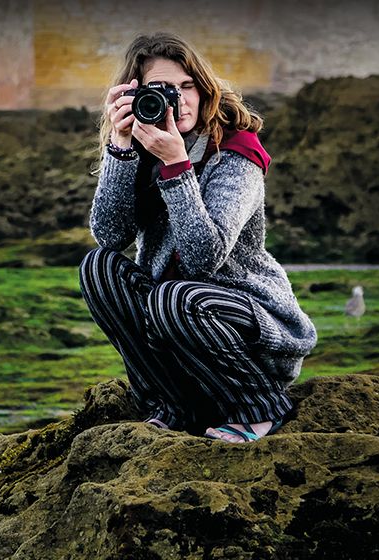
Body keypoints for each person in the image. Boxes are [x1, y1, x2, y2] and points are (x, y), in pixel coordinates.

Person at [80, 32, 317, 443]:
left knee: (173, 296)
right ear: (136, 96)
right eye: (163, 89)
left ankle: (261, 406)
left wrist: (176, 165)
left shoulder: (236, 151)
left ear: (204, 88)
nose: (179, 100)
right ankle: (173, 406)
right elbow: (110, 235)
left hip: (249, 329)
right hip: (174, 326)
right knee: (98, 267)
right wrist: (120, 147)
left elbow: (202, 259)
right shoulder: (140, 148)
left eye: (187, 86)